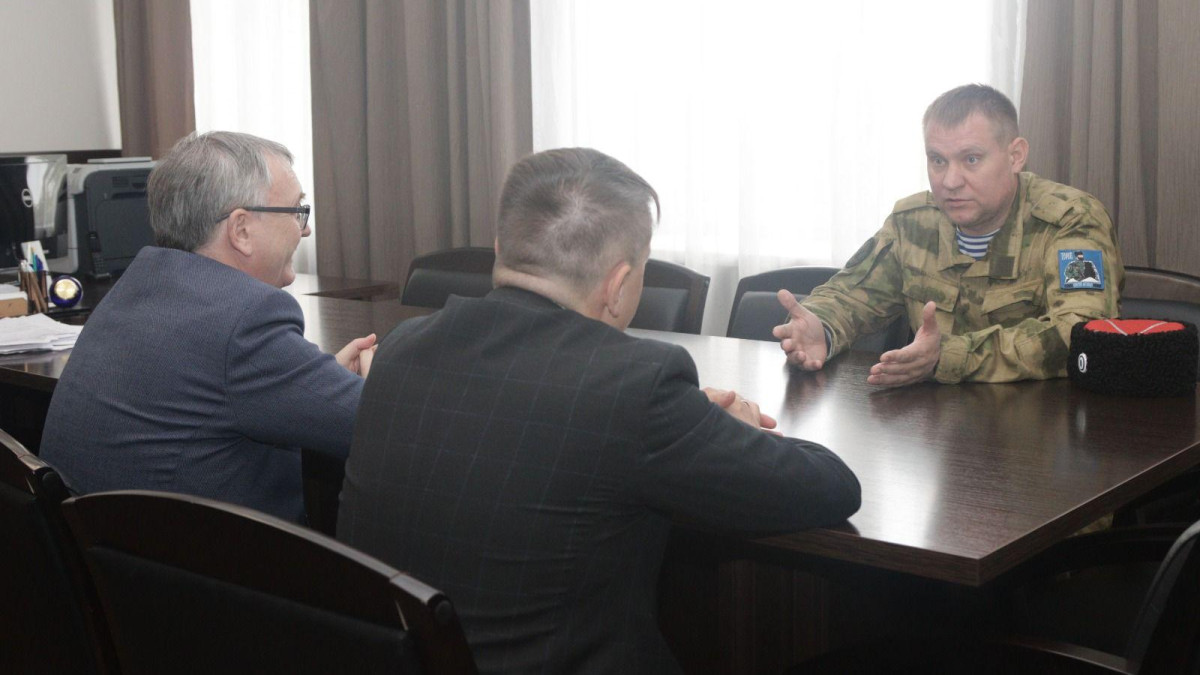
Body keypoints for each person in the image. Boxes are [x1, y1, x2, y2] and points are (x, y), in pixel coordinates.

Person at [337, 147, 861, 674]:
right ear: (618, 284)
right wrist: (735, 431)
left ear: (500, 250)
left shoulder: (402, 349)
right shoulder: (634, 385)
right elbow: (831, 487)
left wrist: (681, 422)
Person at [40, 131, 376, 523]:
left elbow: (229, 386)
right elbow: (377, 428)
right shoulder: (246, 319)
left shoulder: (136, 285)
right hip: (205, 557)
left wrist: (322, 381)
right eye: (296, 211)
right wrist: (375, 386)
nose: (305, 230)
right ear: (241, 230)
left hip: (103, 548)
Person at [774, 84, 1124, 386]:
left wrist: (949, 355)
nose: (950, 181)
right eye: (938, 160)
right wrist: (821, 326)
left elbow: (1080, 333)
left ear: (1015, 156)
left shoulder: (1070, 220)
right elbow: (852, 295)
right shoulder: (912, 223)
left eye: (971, 159)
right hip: (933, 425)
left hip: (1044, 425)